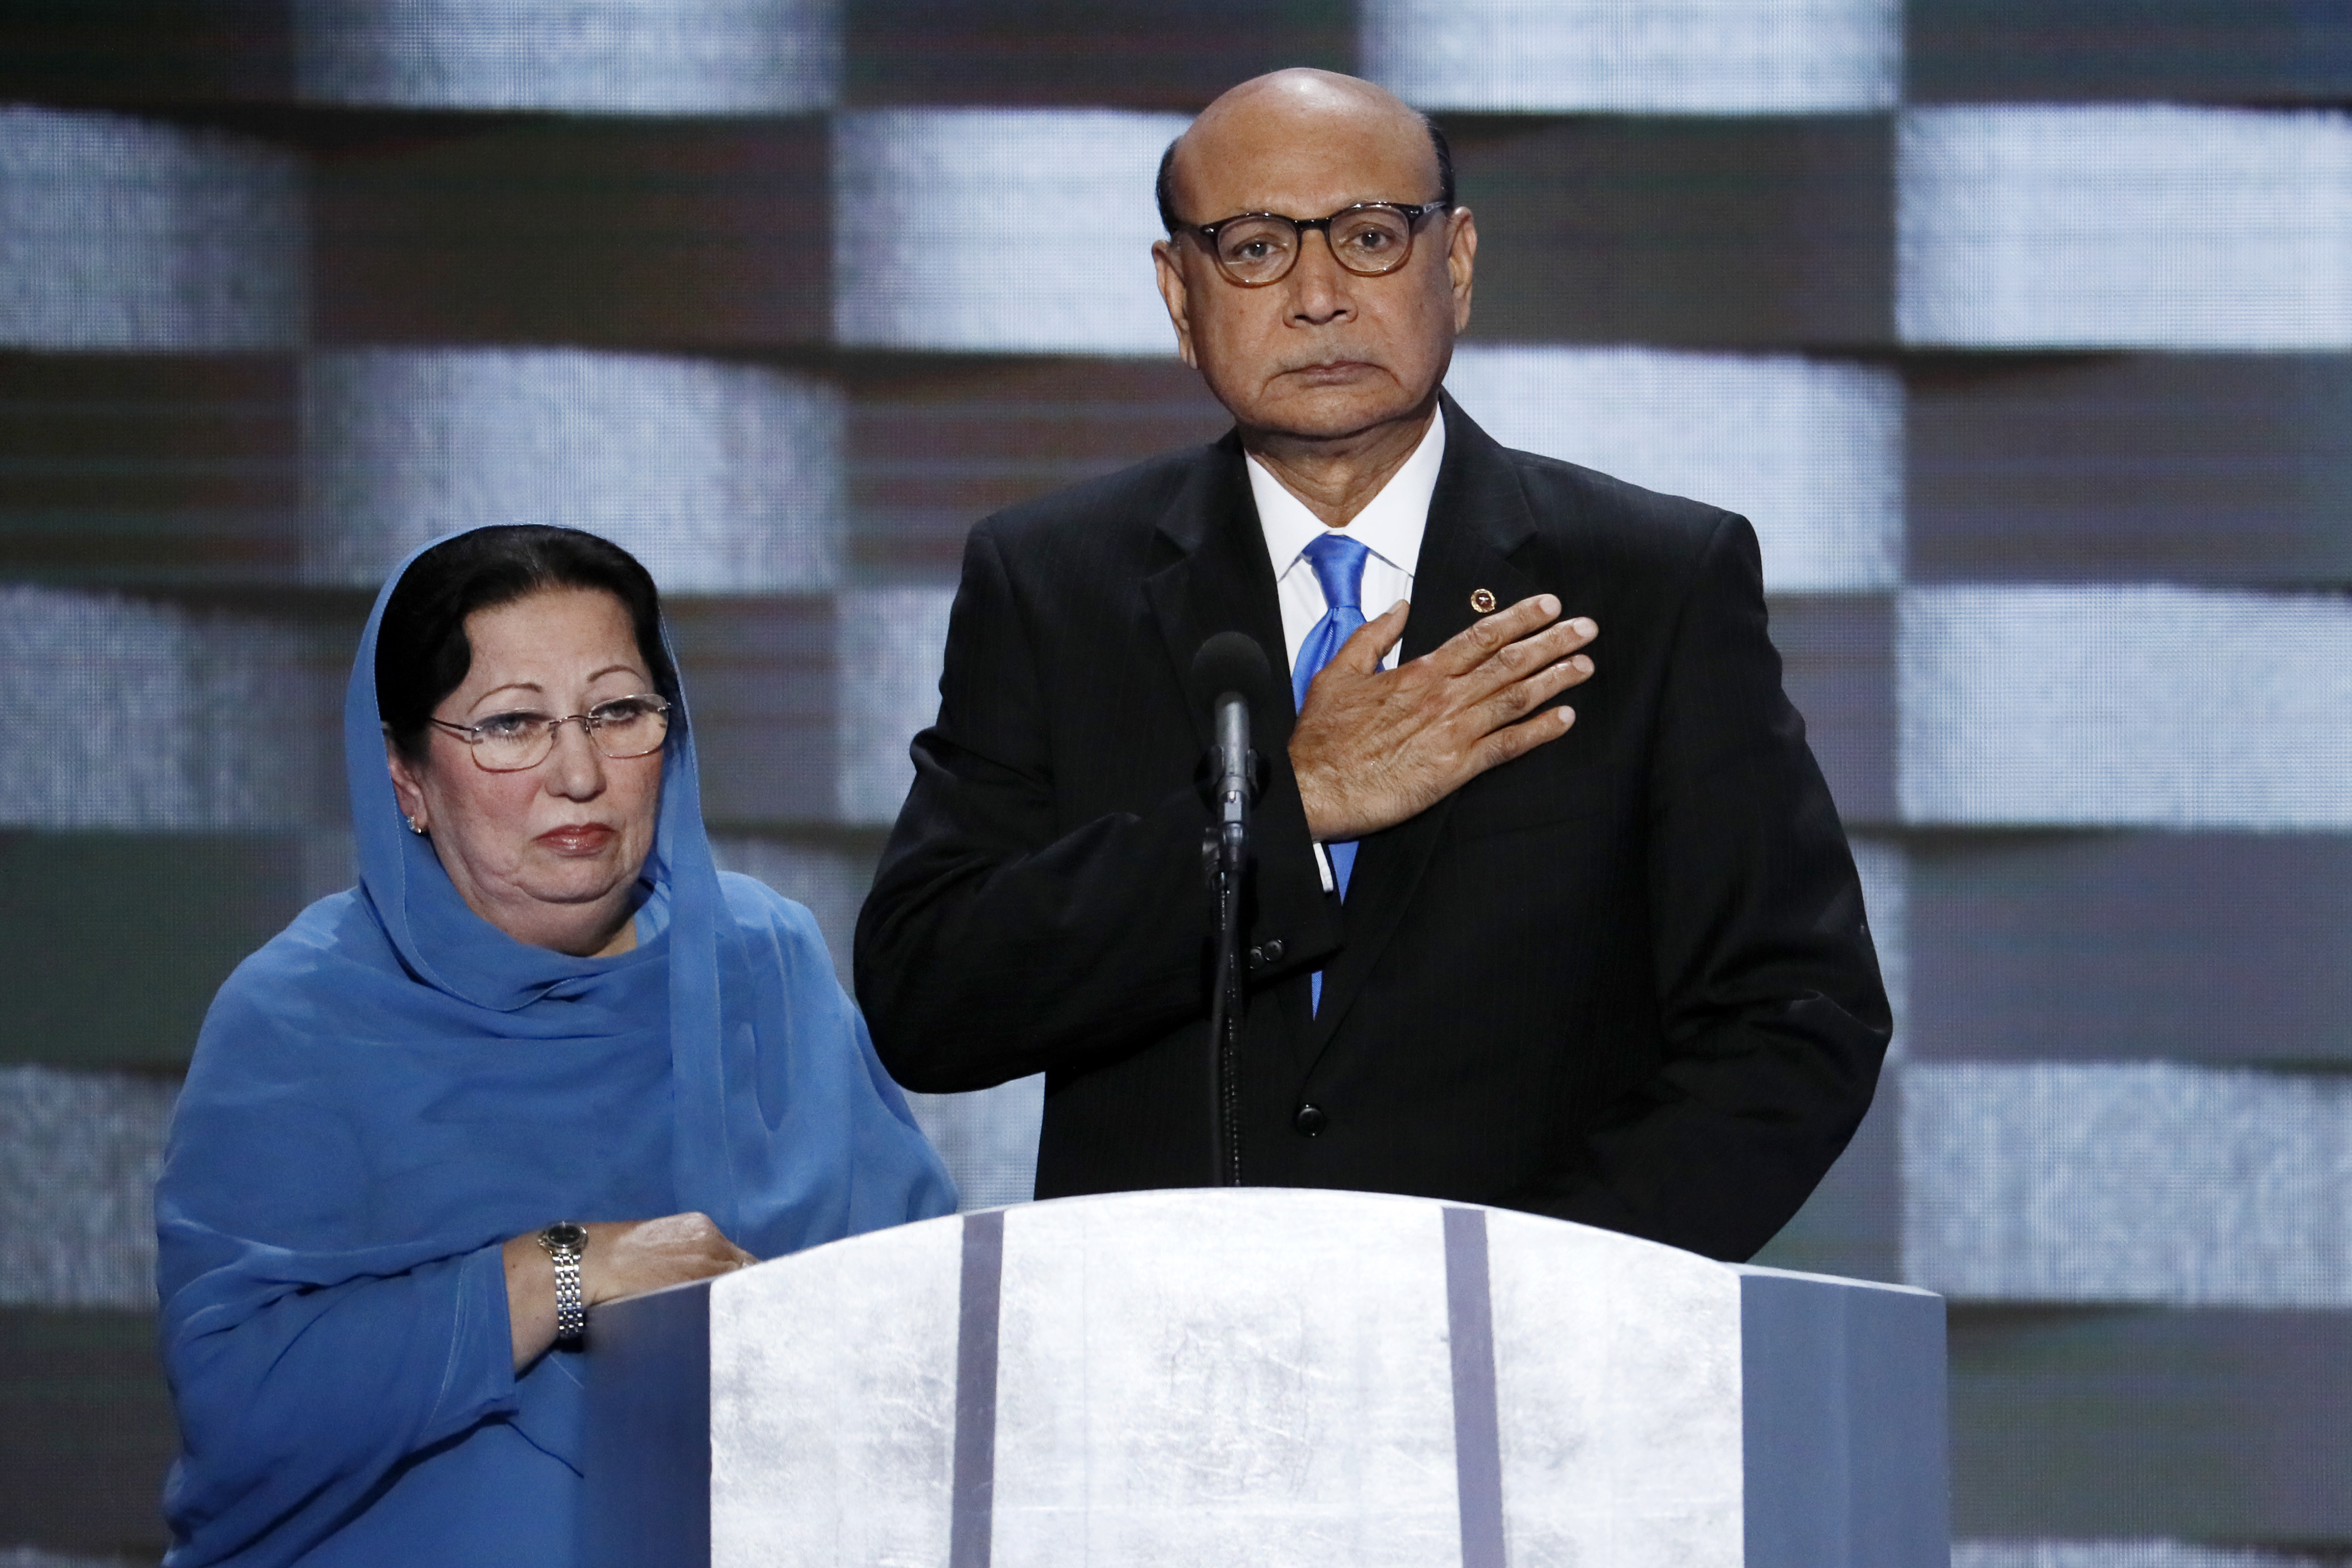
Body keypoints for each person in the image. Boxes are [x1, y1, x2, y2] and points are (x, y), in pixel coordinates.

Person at [854, 69, 1890, 1263]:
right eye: (1252, 248)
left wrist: (1546, 1292)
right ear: (1178, 294)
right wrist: (1287, 813)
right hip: (1157, 1366)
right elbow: (932, 997)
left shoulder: (1651, 580)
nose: (1318, 296)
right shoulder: (1051, 582)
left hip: (1541, 1367)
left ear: (1452, 264)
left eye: (1366, 235)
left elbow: (1794, 1016)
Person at [155, 525, 955, 1567]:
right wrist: (563, 1271)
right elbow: (243, 1403)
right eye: (512, 724)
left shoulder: (764, 962)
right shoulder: (301, 1016)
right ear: (403, 774)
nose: (578, 772)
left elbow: (925, 1307)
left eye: (618, 710)